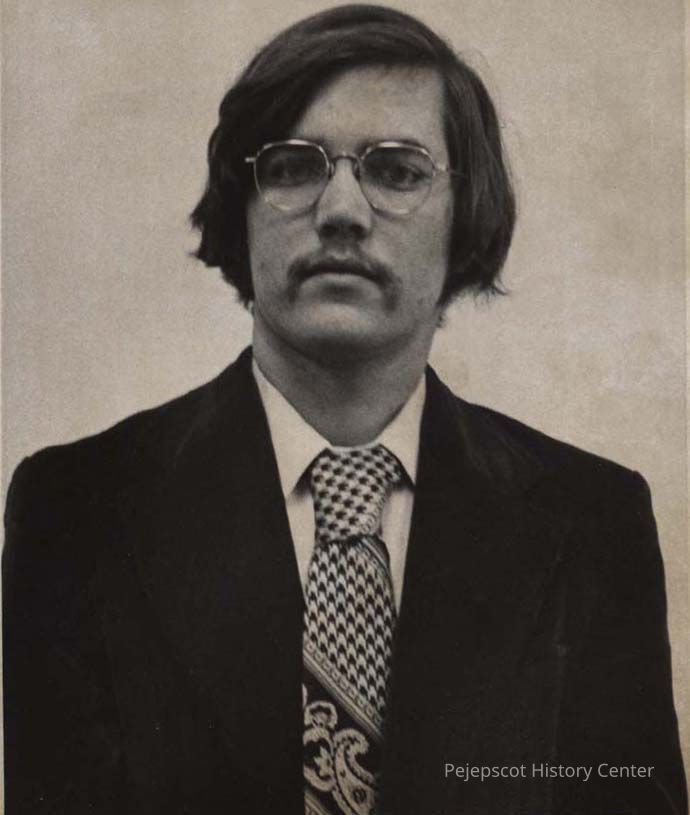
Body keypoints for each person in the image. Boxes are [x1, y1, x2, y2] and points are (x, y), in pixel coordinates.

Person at [3, 5, 686, 814]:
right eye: (294, 167)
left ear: (465, 215)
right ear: (241, 208)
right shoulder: (78, 512)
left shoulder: (591, 522)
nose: (341, 210)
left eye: (396, 171)